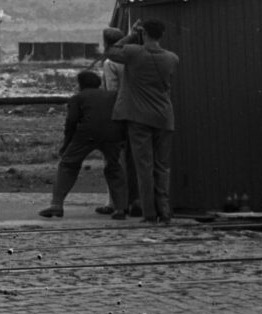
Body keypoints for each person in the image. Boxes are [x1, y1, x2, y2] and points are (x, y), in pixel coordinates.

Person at [113, 19, 179, 224]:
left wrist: (132, 35)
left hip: (139, 117)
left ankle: (149, 213)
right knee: (162, 166)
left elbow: (111, 51)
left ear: (144, 33)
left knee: (144, 166)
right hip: (164, 116)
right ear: (162, 34)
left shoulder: (133, 52)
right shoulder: (172, 58)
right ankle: (165, 210)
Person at [40, 68, 128, 219]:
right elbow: (121, 115)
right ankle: (120, 208)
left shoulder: (78, 98)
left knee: (68, 165)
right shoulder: (112, 96)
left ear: (80, 84)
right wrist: (122, 137)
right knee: (114, 168)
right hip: (112, 133)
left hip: (87, 134)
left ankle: (56, 205)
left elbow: (71, 122)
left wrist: (66, 145)